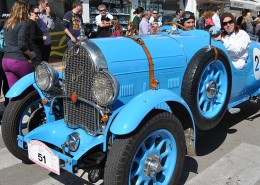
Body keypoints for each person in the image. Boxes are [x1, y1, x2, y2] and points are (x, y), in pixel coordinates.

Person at [2, 0, 35, 93]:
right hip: (18, 60)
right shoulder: (22, 24)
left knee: (14, 92)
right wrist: (31, 54)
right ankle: (36, 107)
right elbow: (22, 45)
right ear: (23, 11)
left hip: (6, 60)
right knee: (33, 87)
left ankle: (13, 108)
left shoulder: (7, 23)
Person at [27, 4, 47, 70]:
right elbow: (33, 36)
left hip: (35, 49)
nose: (38, 14)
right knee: (37, 68)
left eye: (39, 13)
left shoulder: (32, 22)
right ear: (31, 13)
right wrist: (42, 38)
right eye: (36, 13)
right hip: (35, 50)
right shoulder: (32, 23)